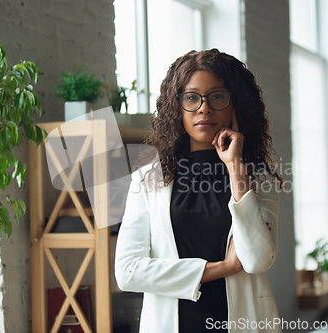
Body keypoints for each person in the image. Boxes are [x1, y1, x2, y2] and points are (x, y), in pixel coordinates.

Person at [114, 49, 283, 333]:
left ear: (235, 105)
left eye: (217, 96)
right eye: (192, 98)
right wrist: (222, 268)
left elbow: (256, 260)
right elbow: (127, 272)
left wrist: (236, 172)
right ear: (177, 108)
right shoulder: (147, 180)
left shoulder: (257, 179)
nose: (204, 108)